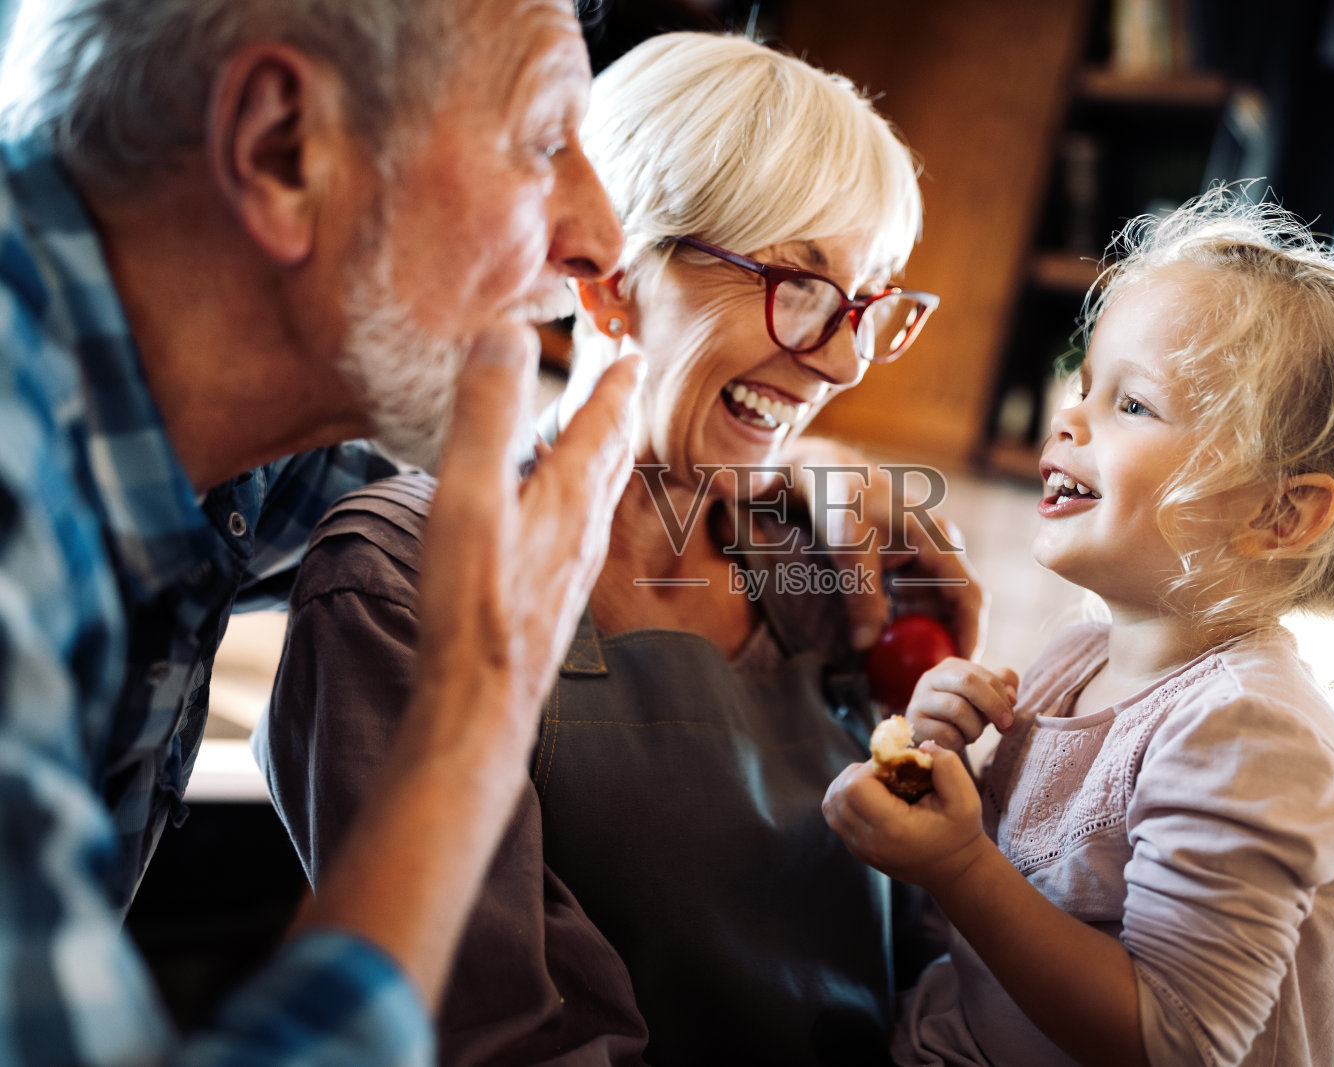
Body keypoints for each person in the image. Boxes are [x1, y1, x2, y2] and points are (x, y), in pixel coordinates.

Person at [257, 31, 979, 1067]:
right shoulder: (401, 577)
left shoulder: (821, 567)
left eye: (864, 305)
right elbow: (512, 1038)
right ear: (610, 281)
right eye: (799, 285)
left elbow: (925, 950)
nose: (838, 362)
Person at [0, 0, 642, 1062]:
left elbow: (504, 504)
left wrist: (770, 531)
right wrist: (469, 724)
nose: (599, 236)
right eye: (543, 141)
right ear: (283, 150)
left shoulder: (215, 446)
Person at [823, 190, 1334, 1067]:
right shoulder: (1076, 659)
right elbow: (989, 950)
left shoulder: (1253, 731)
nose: (1068, 417)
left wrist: (961, 862)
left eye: (1134, 406)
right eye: (1086, 384)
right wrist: (935, 784)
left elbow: (1176, 1041)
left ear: (1283, 514)